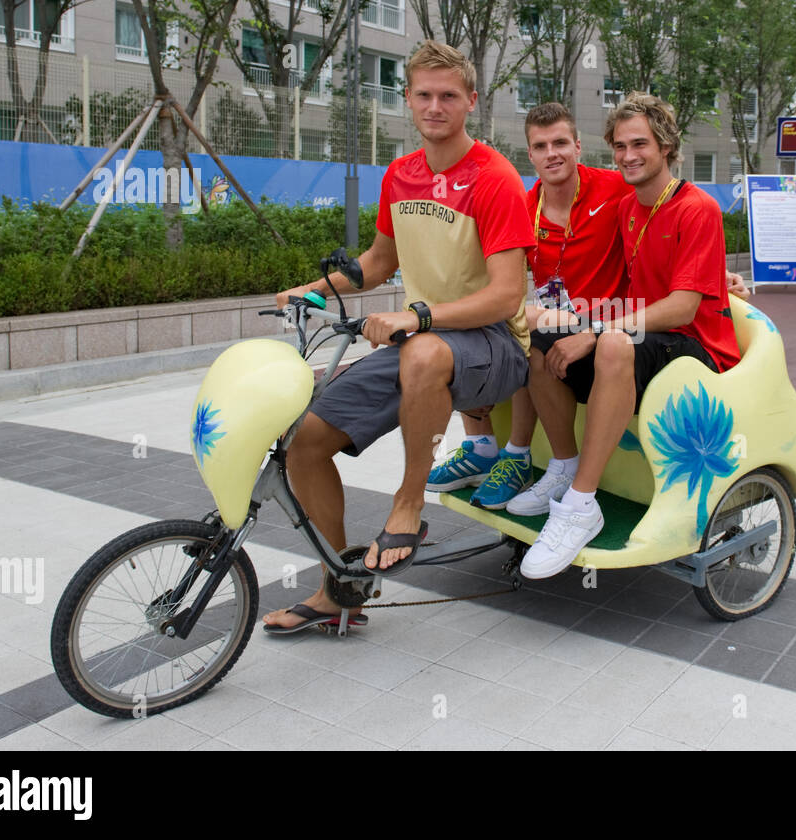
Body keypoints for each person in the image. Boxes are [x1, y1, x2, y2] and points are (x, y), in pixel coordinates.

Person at [261, 41, 533, 633]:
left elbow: (508, 294)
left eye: (449, 96)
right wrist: (310, 289)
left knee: (424, 349)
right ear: (407, 99)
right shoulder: (400, 175)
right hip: (422, 346)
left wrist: (420, 318)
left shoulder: (495, 177)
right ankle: (342, 590)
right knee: (303, 440)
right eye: (424, 95)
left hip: (495, 346)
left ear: (471, 102)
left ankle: (408, 504)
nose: (435, 107)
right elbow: (378, 263)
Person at [428, 103, 751, 510]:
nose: (552, 153)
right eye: (541, 146)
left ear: (578, 147)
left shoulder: (620, 191)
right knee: (513, 325)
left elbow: (678, 258)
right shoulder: (548, 208)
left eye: (560, 142)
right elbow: (492, 280)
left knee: (569, 332)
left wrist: (715, 277)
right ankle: (489, 447)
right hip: (608, 323)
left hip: (632, 327)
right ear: (529, 154)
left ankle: (551, 478)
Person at [514, 92, 741, 578]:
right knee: (538, 344)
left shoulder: (696, 207)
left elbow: (682, 307)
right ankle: (565, 467)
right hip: (642, 334)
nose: (627, 155)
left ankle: (580, 506)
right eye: (618, 146)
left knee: (612, 342)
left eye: (639, 144)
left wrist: (595, 330)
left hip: (697, 347)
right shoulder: (628, 207)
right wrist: (569, 325)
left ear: (666, 146)